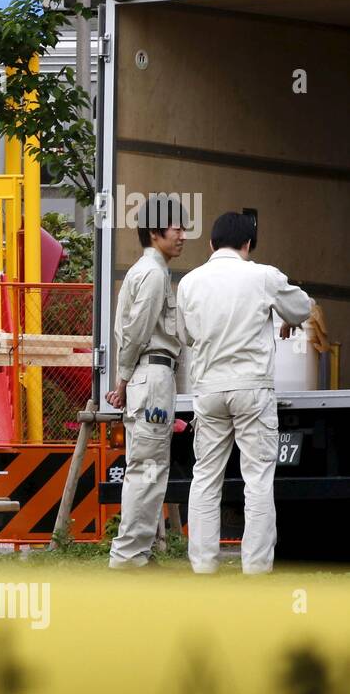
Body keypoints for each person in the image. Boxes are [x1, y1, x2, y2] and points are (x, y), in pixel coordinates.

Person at [177, 211, 312, 575]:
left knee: (205, 476)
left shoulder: (189, 282)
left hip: (208, 390)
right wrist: (287, 320)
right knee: (257, 478)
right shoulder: (262, 276)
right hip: (252, 389)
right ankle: (256, 568)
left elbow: (185, 335)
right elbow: (302, 306)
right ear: (247, 245)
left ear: (210, 244)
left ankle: (203, 566)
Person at [105, 198, 187, 570]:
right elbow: (137, 333)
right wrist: (121, 380)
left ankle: (136, 554)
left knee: (146, 467)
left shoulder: (145, 271)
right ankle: (129, 557)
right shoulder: (154, 274)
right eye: (176, 229)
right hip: (151, 376)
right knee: (148, 470)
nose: (182, 236)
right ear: (155, 233)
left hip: (148, 376)